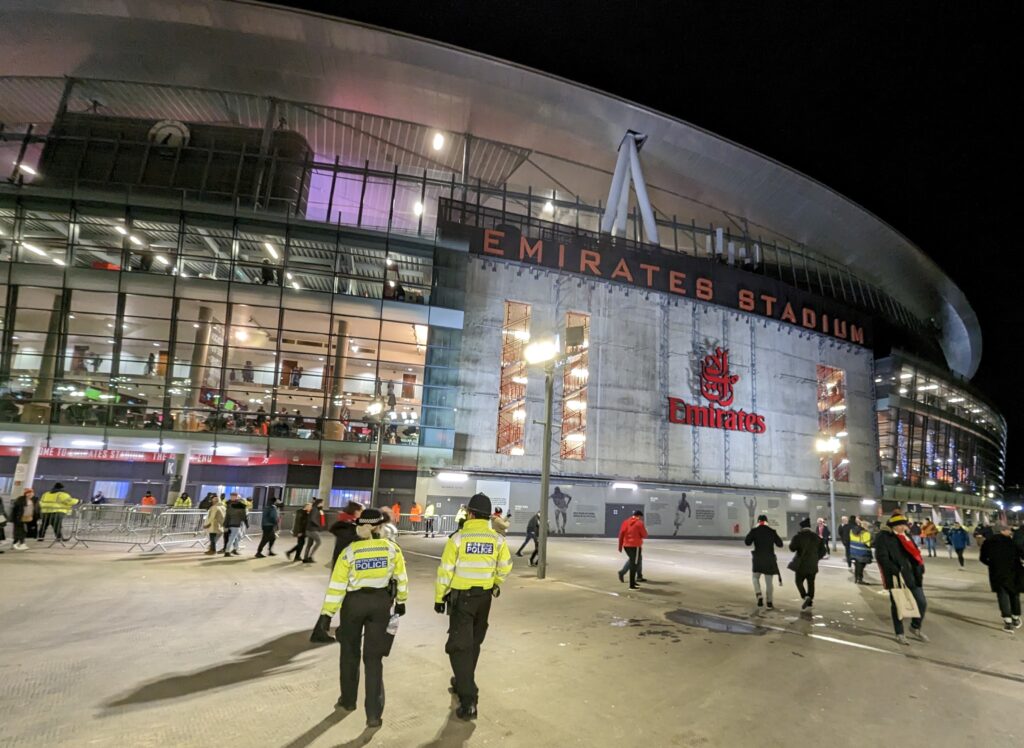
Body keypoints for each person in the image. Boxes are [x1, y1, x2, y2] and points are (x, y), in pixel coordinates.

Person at [311, 508, 408, 727]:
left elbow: (337, 586)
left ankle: (348, 701)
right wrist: (401, 601)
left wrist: (327, 615)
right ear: (379, 527)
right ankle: (373, 714)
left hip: (353, 605)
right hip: (380, 604)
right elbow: (400, 577)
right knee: (373, 660)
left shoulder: (350, 552)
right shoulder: (391, 549)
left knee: (349, 653)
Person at [434, 493, 512, 721]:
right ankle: (461, 680)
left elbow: (445, 570)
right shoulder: (497, 539)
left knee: (458, 647)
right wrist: (496, 584)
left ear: (470, 513)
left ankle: (469, 699)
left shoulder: (458, 538)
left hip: (462, 599)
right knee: (474, 643)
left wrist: (440, 598)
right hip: (484, 599)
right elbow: (505, 566)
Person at [875, 512, 929, 645]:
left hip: (913, 575)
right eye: (901, 525)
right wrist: (893, 569)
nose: (904, 528)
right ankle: (899, 633)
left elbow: (914, 552)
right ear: (894, 525)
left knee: (922, 603)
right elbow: (881, 556)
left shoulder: (906, 535)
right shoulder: (884, 537)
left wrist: (919, 566)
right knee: (898, 605)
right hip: (897, 576)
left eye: (904, 525)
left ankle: (915, 627)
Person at [979, 523, 1024, 631]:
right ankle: (1016, 617)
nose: (1010, 532)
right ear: (1003, 531)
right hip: (1013, 572)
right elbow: (1021, 554)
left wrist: (992, 564)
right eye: (1008, 530)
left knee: (1002, 595)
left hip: (997, 573)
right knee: (1014, 594)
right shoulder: (1012, 542)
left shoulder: (988, 542)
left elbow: (983, 558)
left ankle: (1007, 621)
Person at [744, 514, 783, 608]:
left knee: (755, 578)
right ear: (767, 521)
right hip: (769, 560)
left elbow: (747, 542)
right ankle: (769, 602)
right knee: (769, 582)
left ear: (758, 521)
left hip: (758, 559)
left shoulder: (754, 531)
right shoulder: (771, 531)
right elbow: (780, 544)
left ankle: (759, 595)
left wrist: (752, 531)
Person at [789, 518, 826, 610]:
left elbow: (792, 548)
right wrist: (817, 558)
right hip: (813, 564)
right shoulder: (817, 537)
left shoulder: (798, 536)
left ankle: (805, 596)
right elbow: (823, 551)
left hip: (801, 564)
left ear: (801, 528)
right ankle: (810, 602)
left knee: (798, 581)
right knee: (811, 583)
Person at [617, 509, 648, 589]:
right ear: (639, 516)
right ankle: (632, 585)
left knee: (634, 561)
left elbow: (621, 534)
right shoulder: (639, 523)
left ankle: (634, 580)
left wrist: (620, 546)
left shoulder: (626, 522)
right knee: (634, 564)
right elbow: (645, 535)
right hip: (635, 546)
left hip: (626, 545)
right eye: (641, 517)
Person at [330, 501, 364, 566]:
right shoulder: (348, 526)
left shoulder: (347, 523)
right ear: (356, 512)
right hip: (344, 563)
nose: (362, 514)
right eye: (361, 511)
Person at [849, 518, 874, 584]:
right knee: (861, 567)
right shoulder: (866, 533)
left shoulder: (852, 531)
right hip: (862, 553)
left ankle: (856, 578)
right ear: (865, 526)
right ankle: (859, 579)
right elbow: (869, 544)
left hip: (853, 551)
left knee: (857, 565)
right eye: (868, 527)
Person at [303, 497, 325, 563]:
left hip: (309, 529)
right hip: (312, 530)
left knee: (309, 544)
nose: (323, 504)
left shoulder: (314, 508)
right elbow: (313, 519)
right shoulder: (315, 510)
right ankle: (310, 557)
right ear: (319, 503)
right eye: (323, 503)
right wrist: (318, 525)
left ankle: (305, 558)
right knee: (319, 542)